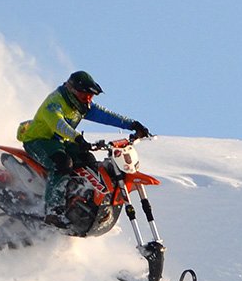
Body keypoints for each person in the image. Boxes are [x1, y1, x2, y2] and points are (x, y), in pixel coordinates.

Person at [17, 70, 151, 226]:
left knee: (88, 159)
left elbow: (104, 115)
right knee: (62, 163)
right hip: (38, 141)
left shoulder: (81, 105)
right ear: (73, 91)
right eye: (84, 96)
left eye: (90, 97)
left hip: (60, 141)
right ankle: (53, 209)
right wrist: (77, 138)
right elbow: (58, 124)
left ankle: (84, 201)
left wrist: (132, 125)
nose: (88, 100)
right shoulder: (55, 103)